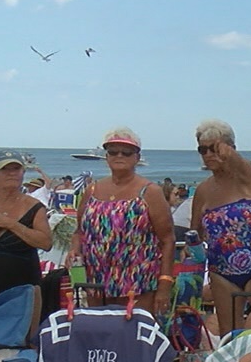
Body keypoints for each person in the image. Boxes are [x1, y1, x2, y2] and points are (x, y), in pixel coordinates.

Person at [192, 119, 251, 334]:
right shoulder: (203, 190)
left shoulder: (246, 178)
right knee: (230, 338)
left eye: (213, 148)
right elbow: (195, 231)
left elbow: (243, 165)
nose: (208, 154)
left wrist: (228, 153)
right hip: (221, 272)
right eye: (203, 149)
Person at [72, 128, 175, 315]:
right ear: (106, 156)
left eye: (126, 152)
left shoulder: (150, 192)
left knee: (133, 337)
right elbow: (79, 231)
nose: (119, 155)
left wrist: (165, 283)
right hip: (96, 282)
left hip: (138, 283)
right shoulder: (92, 190)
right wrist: (74, 250)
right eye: (113, 151)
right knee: (100, 337)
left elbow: (167, 240)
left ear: (137, 157)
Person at [0, 150, 52, 300]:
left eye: (16, 169)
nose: (11, 173)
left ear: (23, 172)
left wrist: (10, 224)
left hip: (25, 292)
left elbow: (46, 243)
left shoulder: (34, 207)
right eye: (4, 169)